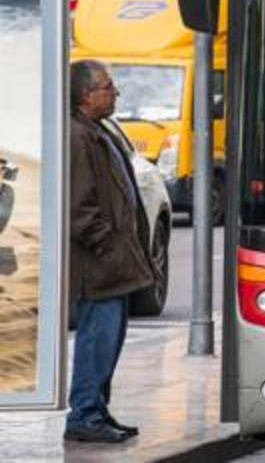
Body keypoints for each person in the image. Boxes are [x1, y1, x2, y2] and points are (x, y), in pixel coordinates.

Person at [66, 60, 154, 443]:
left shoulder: (96, 131)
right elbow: (78, 208)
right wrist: (106, 246)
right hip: (99, 264)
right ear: (87, 94)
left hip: (111, 261)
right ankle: (84, 414)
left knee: (108, 339)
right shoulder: (77, 136)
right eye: (107, 86)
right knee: (97, 338)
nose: (114, 92)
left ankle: (96, 409)